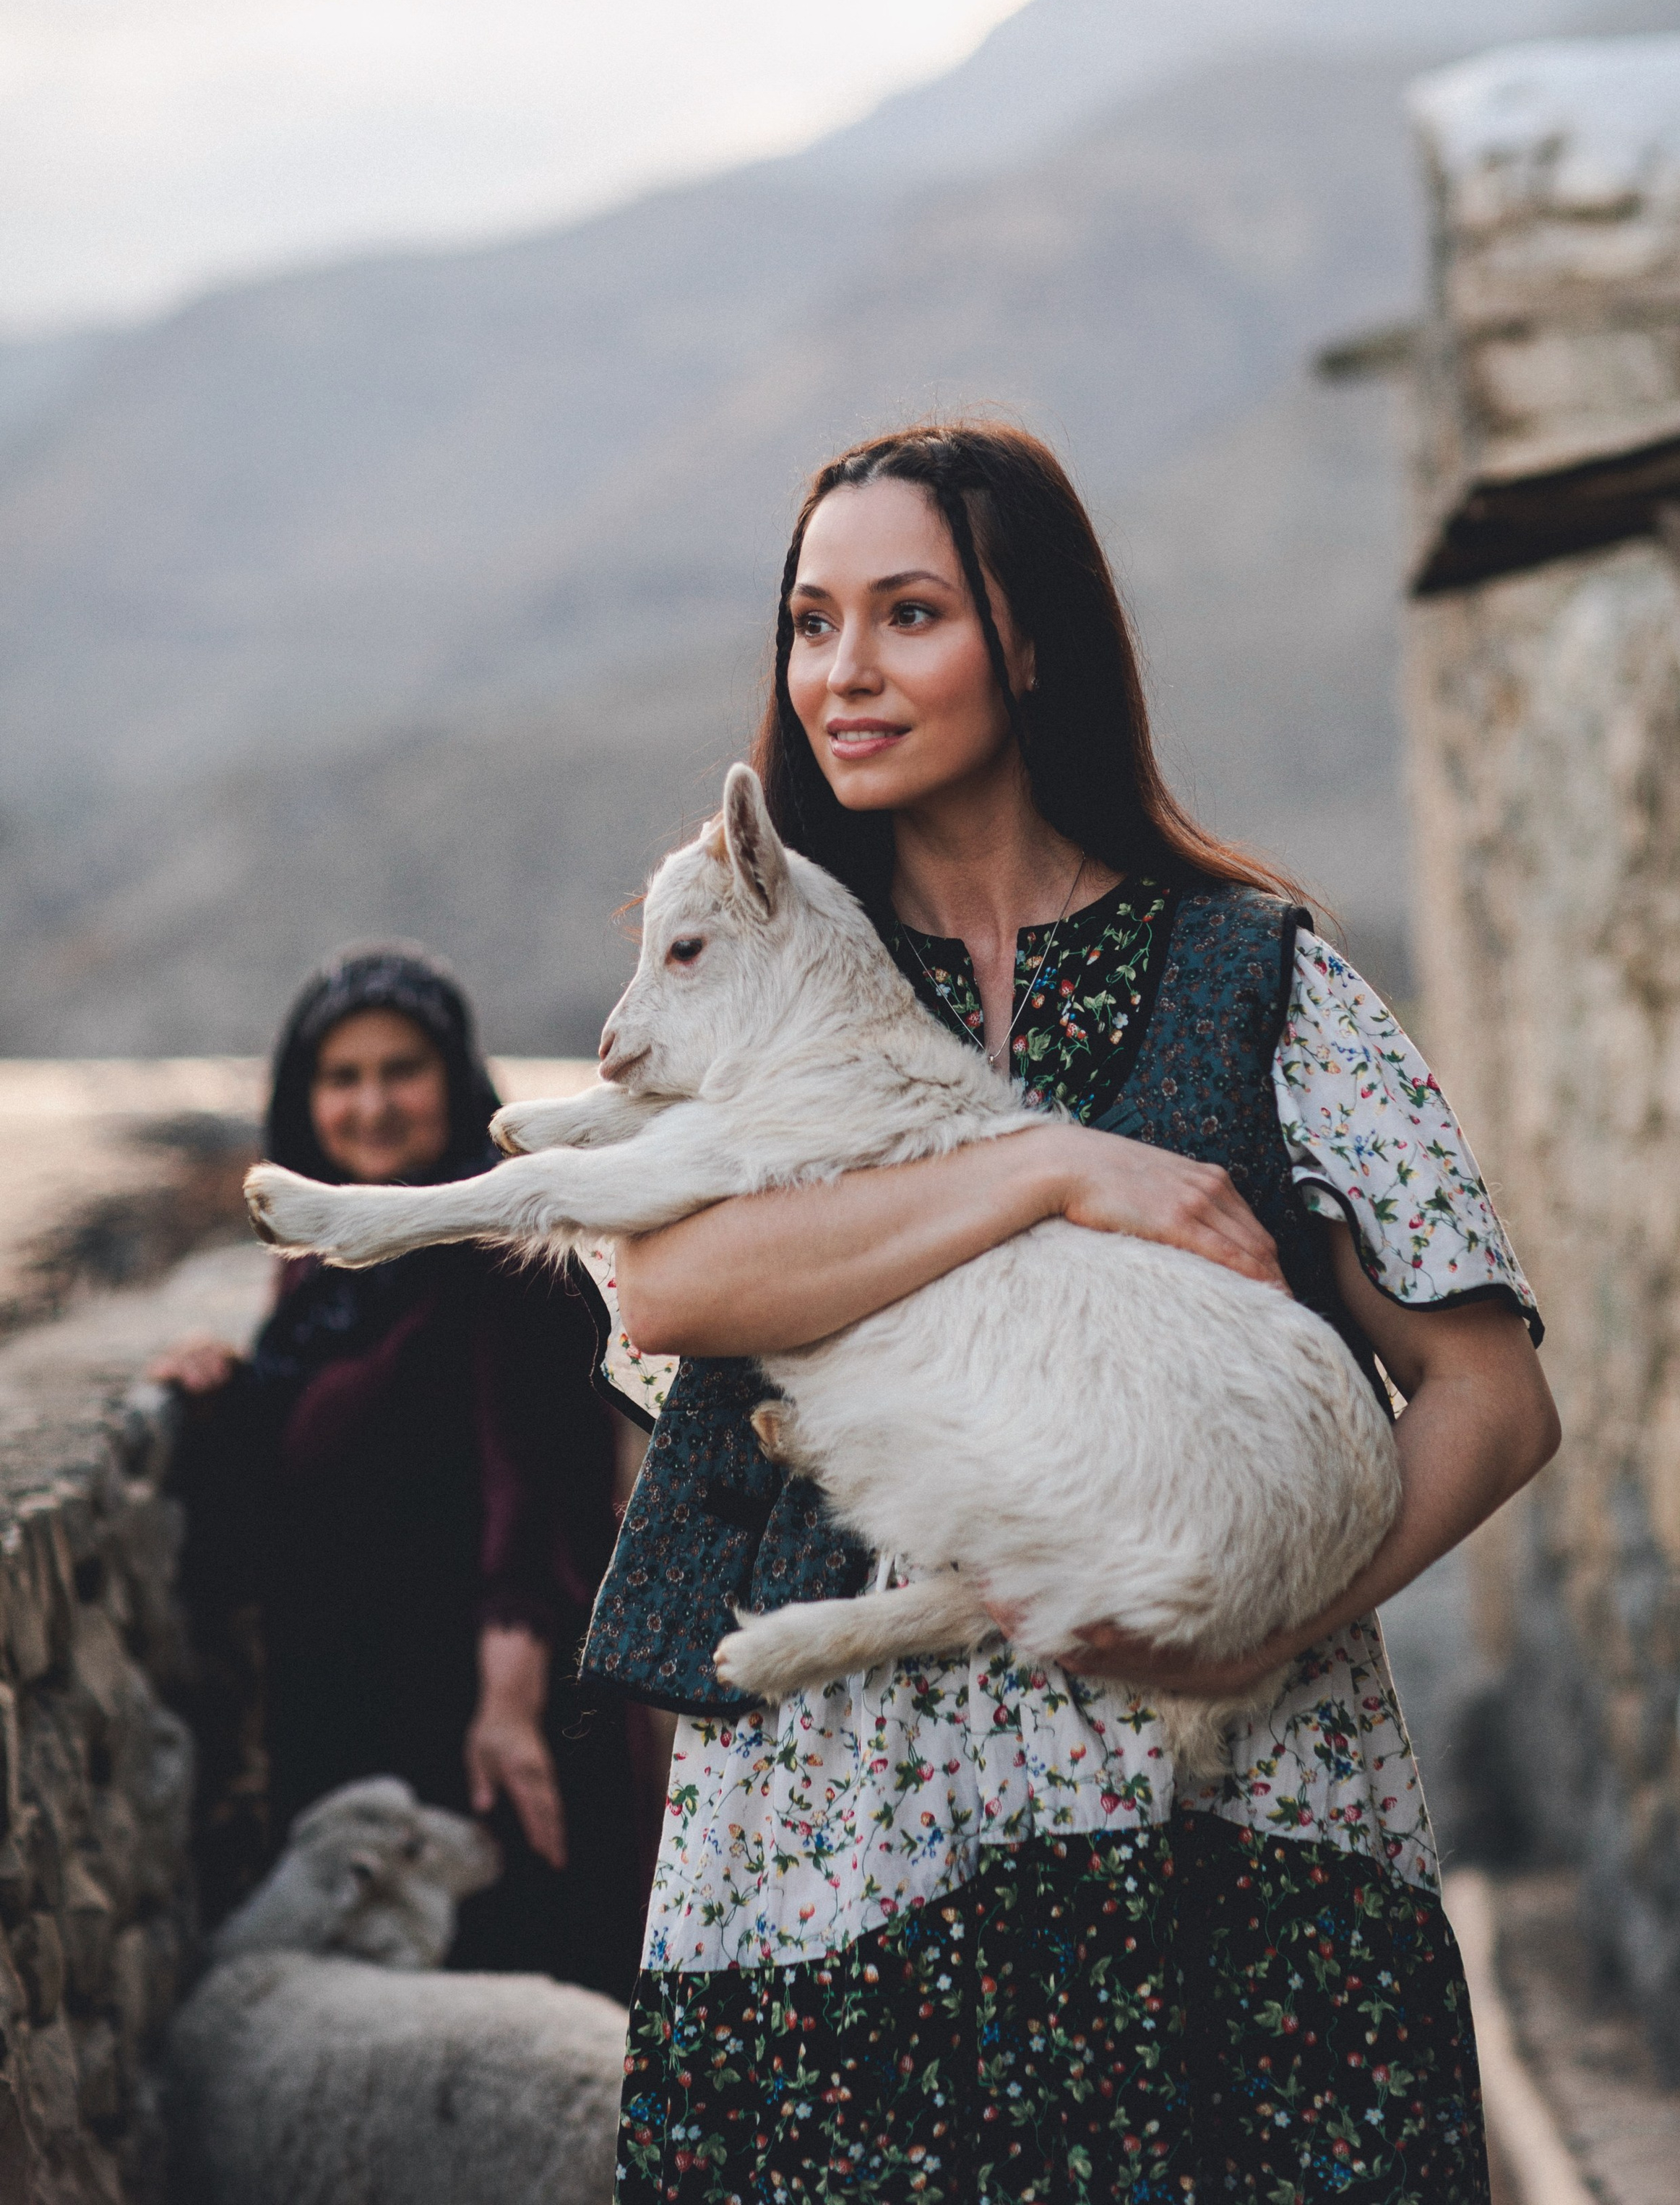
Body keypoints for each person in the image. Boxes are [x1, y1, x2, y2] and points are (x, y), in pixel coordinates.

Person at [587, 423, 1559, 2198]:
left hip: (1219, 1799)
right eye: (809, 624)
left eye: (905, 614)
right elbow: (673, 1281)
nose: (842, 674)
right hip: (840, 1822)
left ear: (1027, 641)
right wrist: (1044, 1173)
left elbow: (1488, 1394)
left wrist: (1267, 1620)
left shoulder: (1255, 970)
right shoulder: (751, 967)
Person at [158, 941, 647, 1996]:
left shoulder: (501, 1255)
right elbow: (322, 1454)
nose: (371, 1105)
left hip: (469, 1720)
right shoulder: (325, 1272)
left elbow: (536, 1487)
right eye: (342, 1077)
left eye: (401, 1070)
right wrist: (225, 1393)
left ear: (458, 1084)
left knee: (504, 2023)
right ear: (302, 1098)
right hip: (351, 1704)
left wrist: (509, 1707)